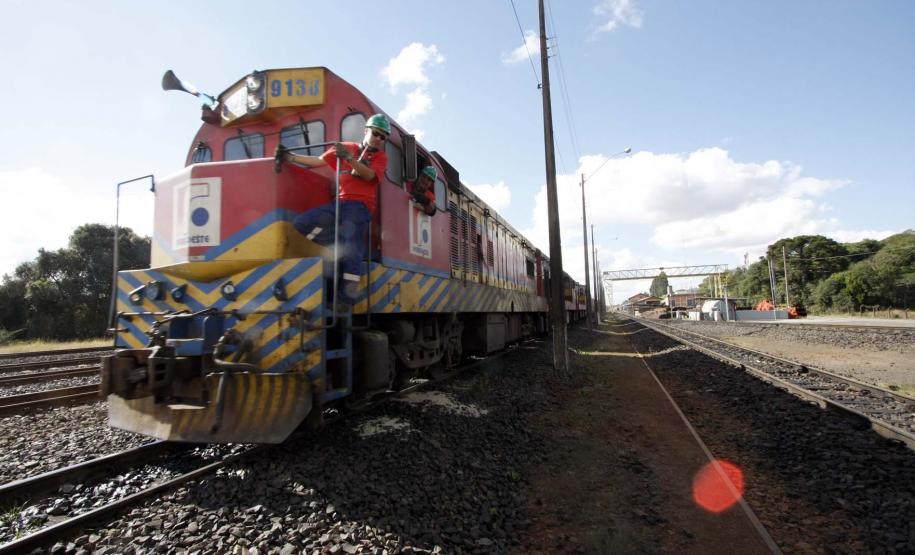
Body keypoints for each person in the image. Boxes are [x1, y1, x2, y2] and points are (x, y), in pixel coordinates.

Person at [279, 113, 390, 304]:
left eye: (383, 136)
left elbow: (370, 176)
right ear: (366, 131)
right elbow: (318, 161)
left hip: (360, 207)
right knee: (301, 223)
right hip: (339, 203)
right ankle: (339, 247)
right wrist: (288, 156)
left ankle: (347, 294)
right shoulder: (346, 147)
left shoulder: (381, 157)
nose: (379, 138)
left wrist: (350, 159)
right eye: (376, 133)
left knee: (354, 248)